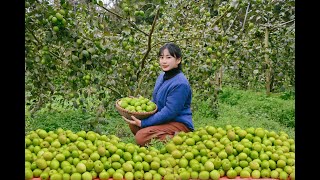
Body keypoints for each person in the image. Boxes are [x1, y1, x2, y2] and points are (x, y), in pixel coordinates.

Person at [121, 42, 194, 146]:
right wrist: (139, 104)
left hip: (178, 123)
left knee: (141, 137)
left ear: (178, 60)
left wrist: (144, 123)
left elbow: (170, 112)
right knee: (133, 124)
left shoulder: (180, 83)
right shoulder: (162, 76)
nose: (164, 61)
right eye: (161, 57)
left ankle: (183, 139)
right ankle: (158, 136)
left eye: (168, 57)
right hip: (164, 120)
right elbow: (155, 103)